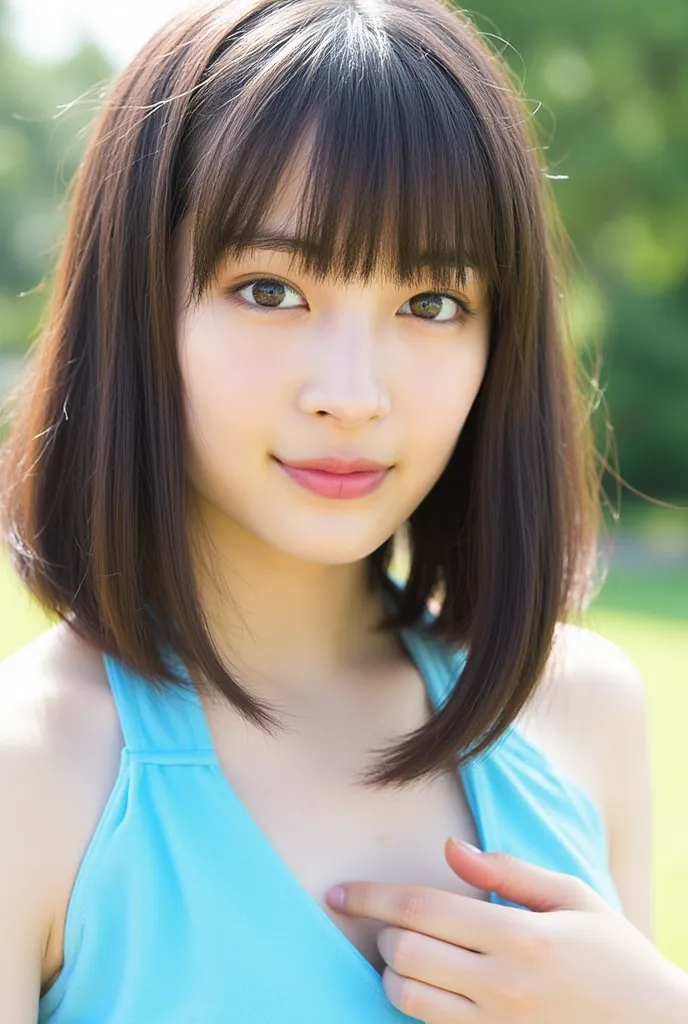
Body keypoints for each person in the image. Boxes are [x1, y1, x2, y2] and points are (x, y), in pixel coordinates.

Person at [0, 0, 686, 1020]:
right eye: (270, 290)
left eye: (431, 304)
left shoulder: (577, 711)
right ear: (137, 304)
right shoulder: (38, 769)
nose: (353, 393)